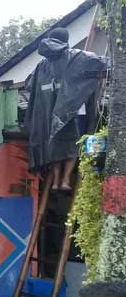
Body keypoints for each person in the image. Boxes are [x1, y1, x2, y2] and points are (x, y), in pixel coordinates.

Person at [24, 27, 106, 190]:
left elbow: (28, 85)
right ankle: (66, 181)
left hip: (49, 115)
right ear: (66, 40)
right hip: (73, 112)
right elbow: (103, 64)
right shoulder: (76, 56)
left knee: (54, 147)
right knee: (73, 145)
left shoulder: (41, 65)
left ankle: (54, 182)